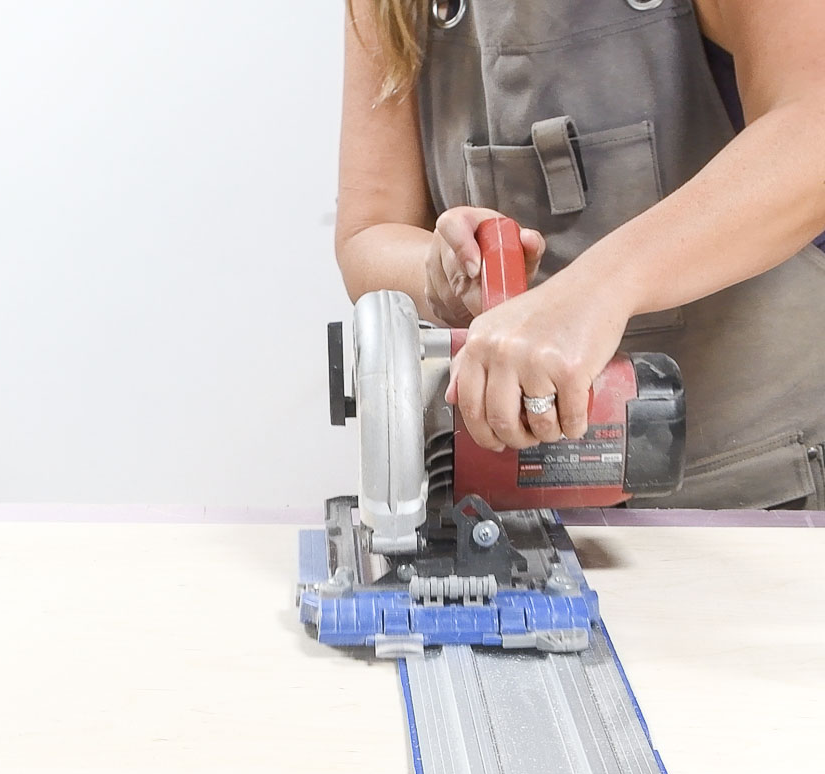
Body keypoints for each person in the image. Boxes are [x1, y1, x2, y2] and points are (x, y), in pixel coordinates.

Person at [336, 0, 825, 508]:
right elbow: (370, 230)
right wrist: (441, 272)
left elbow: (813, 133)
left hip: (768, 492)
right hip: (510, 507)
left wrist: (598, 289)